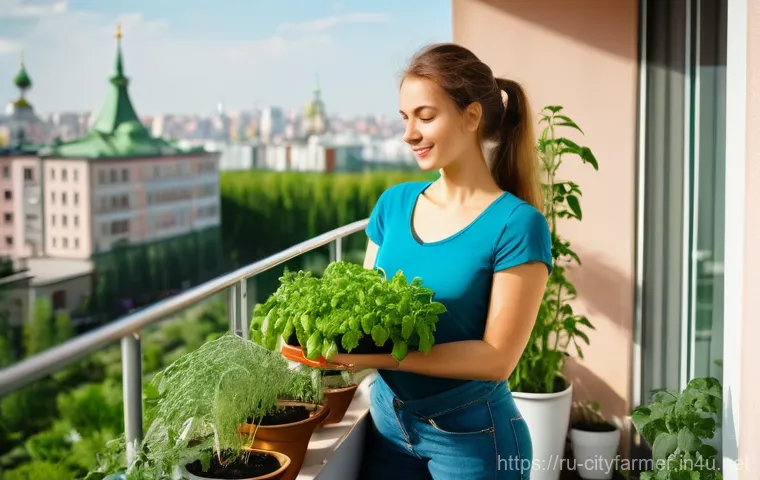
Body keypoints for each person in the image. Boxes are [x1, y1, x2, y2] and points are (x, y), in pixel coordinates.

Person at [328, 43, 552, 479]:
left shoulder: (517, 224)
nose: (410, 133)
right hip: (388, 427)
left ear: (471, 117)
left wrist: (384, 357)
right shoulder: (393, 205)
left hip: (473, 440)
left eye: (425, 117)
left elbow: (496, 358)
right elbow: (361, 310)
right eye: (404, 118)